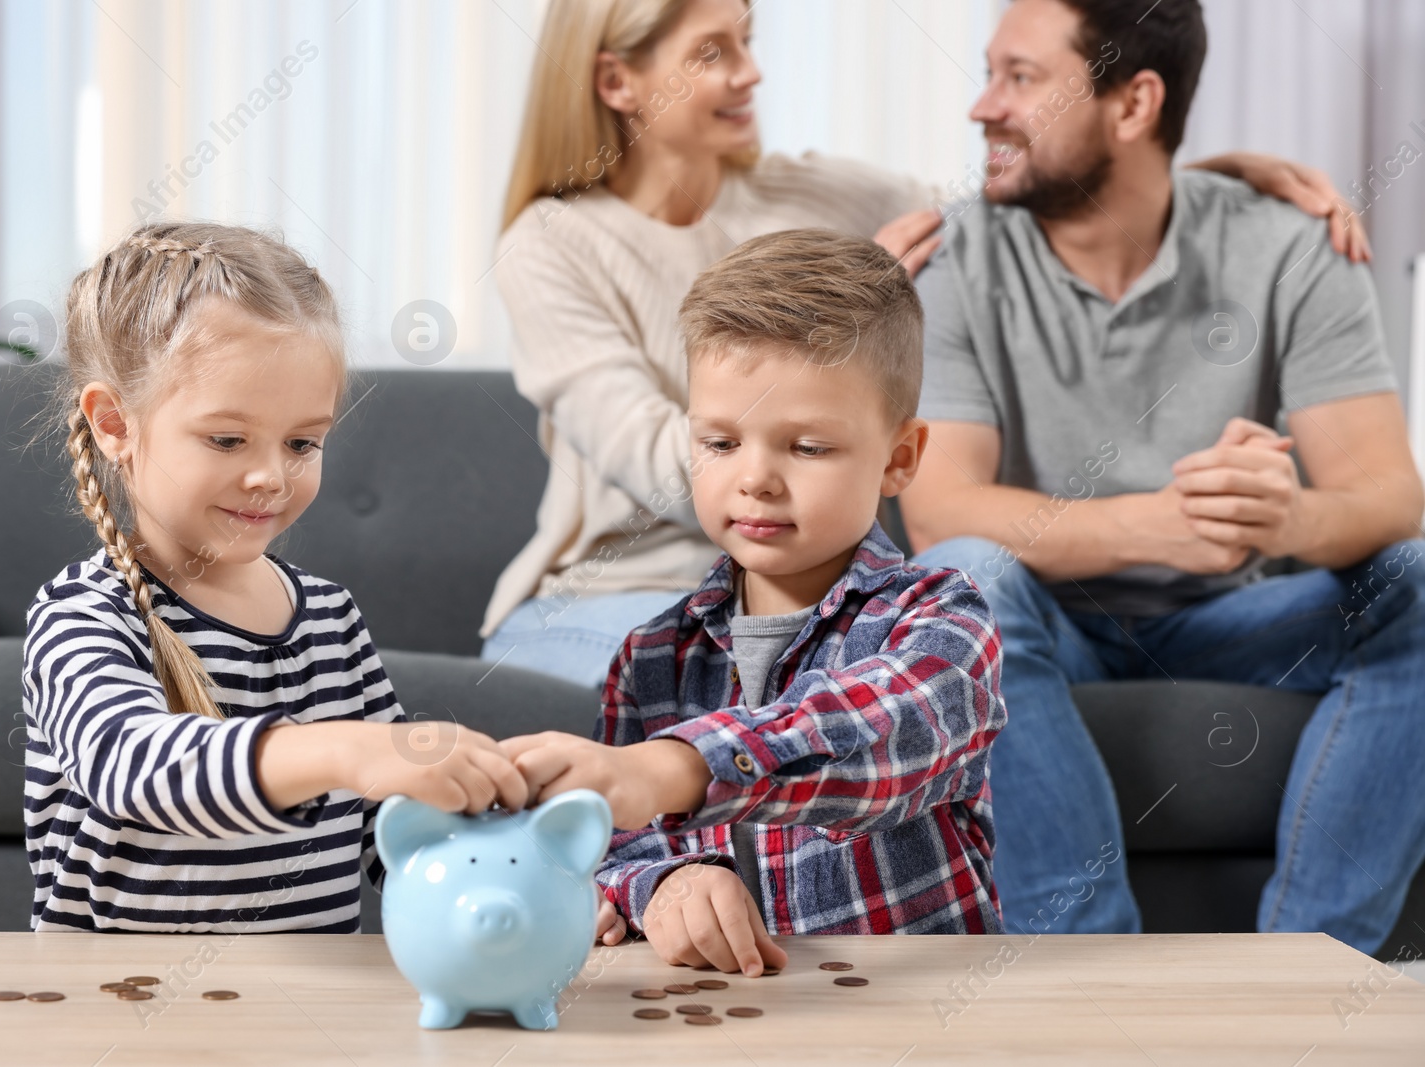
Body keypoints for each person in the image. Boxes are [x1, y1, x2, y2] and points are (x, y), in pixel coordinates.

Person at [481, 0, 1374, 690]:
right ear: (617, 84)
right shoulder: (550, 245)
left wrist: (1214, 184)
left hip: (802, 599)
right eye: (714, 52)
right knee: (843, 670)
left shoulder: (810, 191)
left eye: (748, 41)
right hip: (613, 596)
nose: (751, 73)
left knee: (889, 657)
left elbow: (1028, 195)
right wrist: (838, 320)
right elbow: (674, 470)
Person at [899, 0, 1425, 954]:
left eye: (1020, 76)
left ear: (1134, 103)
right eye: (989, 71)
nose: (983, 104)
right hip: (1045, 618)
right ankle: (1088, 981)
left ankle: (1301, 973)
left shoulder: (1291, 242)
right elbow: (941, 511)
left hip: (1230, 618)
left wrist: (1289, 515)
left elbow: (1393, 499)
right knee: (967, 574)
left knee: (1416, 584)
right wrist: (1157, 524)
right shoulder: (952, 257)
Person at [503, 229, 1008, 977]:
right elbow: (618, 845)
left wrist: (671, 769)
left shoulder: (943, 621)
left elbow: (880, 732)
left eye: (806, 447)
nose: (756, 479)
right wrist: (664, 881)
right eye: (720, 442)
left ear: (899, 458)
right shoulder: (651, 657)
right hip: (728, 1022)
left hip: (917, 1020)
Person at [22, 222, 527, 933]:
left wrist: (510, 857)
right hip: (117, 1021)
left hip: (300, 1023)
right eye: (227, 439)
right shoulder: (84, 612)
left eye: (302, 442)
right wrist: (344, 749)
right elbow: (132, 766)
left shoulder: (330, 617)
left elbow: (389, 830)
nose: (270, 475)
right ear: (115, 424)